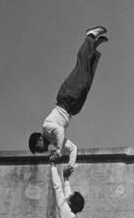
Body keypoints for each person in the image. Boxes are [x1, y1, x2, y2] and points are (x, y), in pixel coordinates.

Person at [28, 26, 109, 169]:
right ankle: (93, 48)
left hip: (66, 97)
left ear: (39, 140)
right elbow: (72, 148)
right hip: (73, 108)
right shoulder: (55, 141)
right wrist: (70, 167)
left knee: (81, 69)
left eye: (39, 148)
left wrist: (59, 151)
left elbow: (59, 130)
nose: (42, 151)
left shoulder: (47, 127)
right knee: (87, 81)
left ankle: (90, 37)